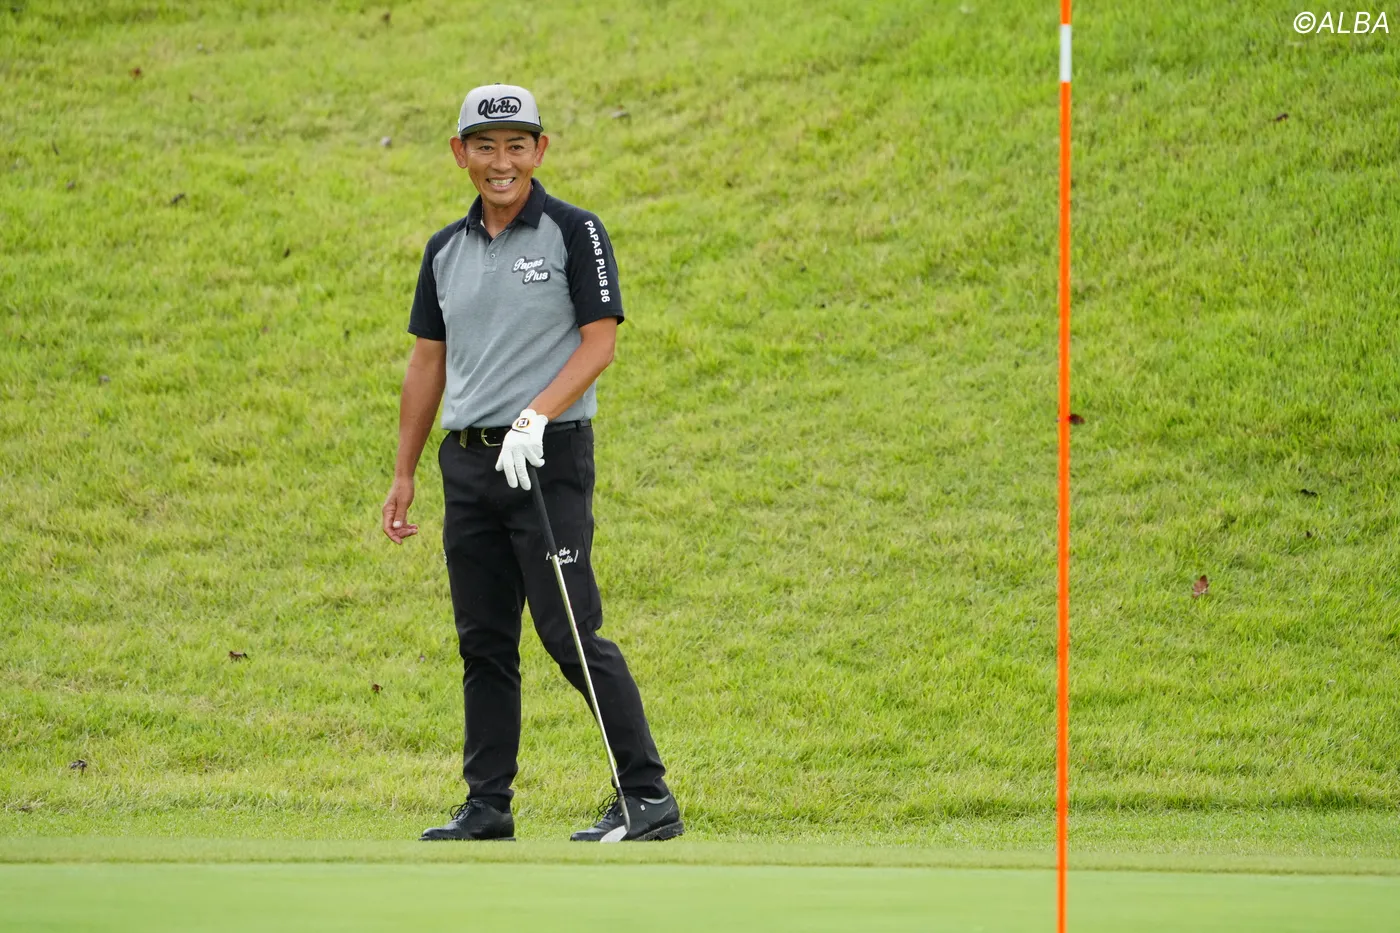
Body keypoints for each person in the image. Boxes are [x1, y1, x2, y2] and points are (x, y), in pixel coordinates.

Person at [381, 84, 682, 842]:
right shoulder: (444, 251)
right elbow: (427, 362)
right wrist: (405, 471)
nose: (501, 161)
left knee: (569, 631)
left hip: (547, 458)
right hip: (468, 464)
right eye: (485, 146)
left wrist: (534, 415)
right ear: (460, 154)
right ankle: (487, 805)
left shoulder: (575, 232)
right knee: (483, 641)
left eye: (517, 145)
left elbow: (600, 343)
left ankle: (646, 796)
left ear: (540, 151)